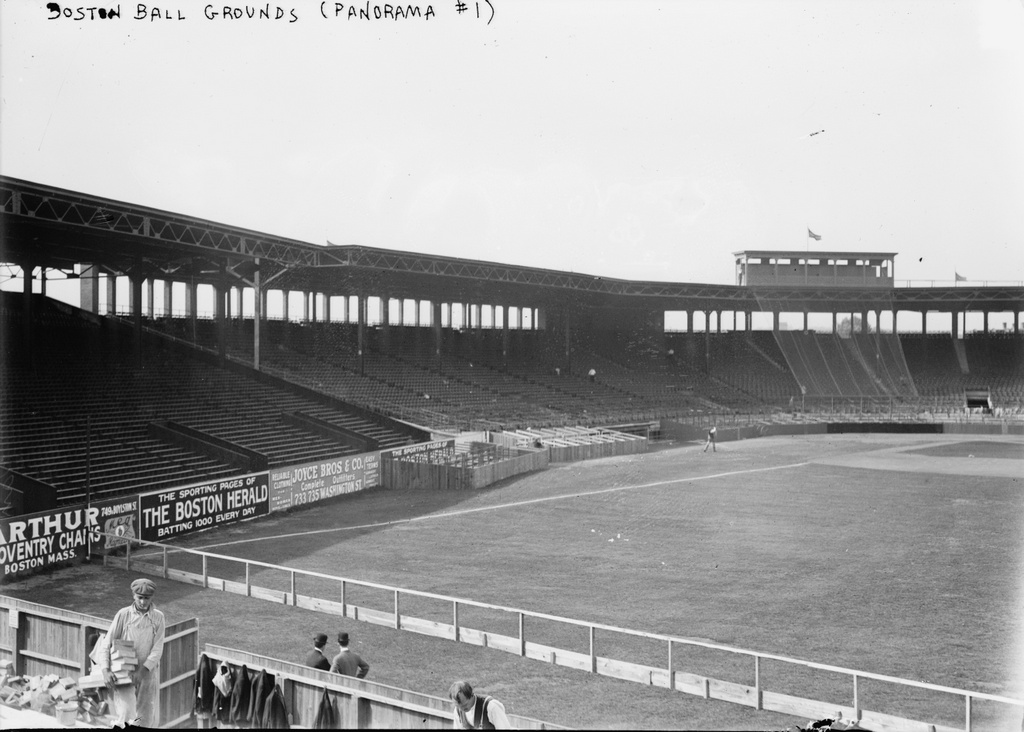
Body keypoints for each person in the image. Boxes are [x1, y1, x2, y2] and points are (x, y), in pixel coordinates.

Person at [97, 578, 166, 727]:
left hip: (146, 673)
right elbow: (107, 644)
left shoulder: (158, 617)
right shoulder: (123, 615)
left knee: (144, 716)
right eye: (140, 598)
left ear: (152, 598)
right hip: (123, 673)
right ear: (133, 596)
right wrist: (105, 670)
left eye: (146, 598)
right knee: (126, 714)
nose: (142, 602)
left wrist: (142, 671)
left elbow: (157, 648)